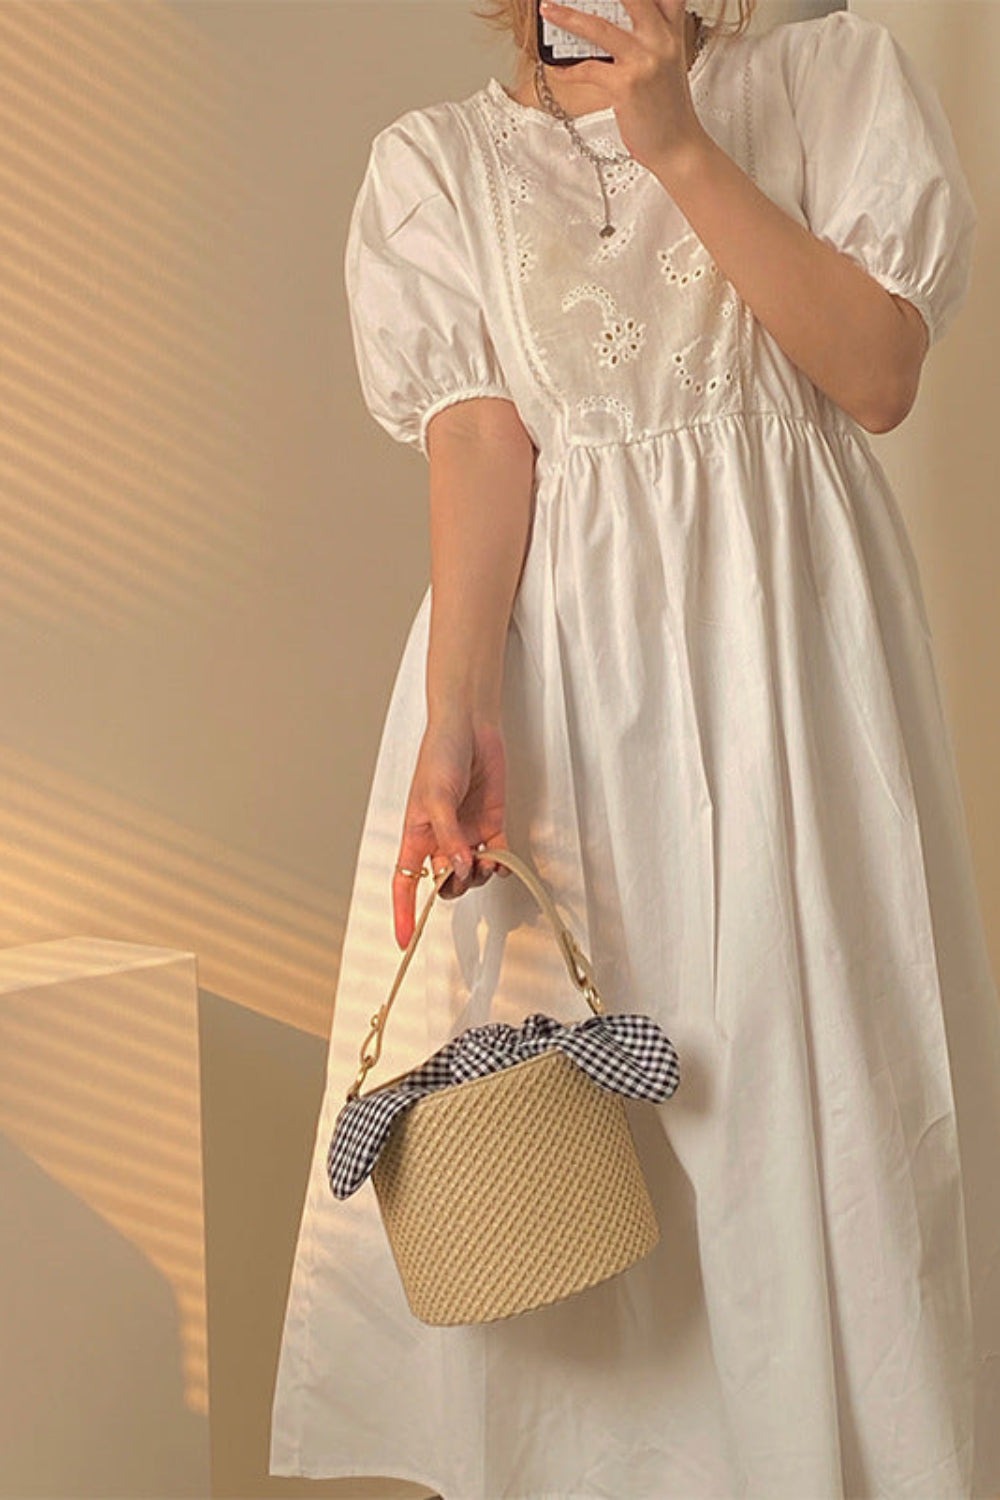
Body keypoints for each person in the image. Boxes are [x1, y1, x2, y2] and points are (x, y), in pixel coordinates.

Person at [269, 1, 1000, 1495]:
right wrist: (456, 717)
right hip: (563, 704)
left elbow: (876, 375)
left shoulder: (833, 76)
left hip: (787, 683)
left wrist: (675, 142)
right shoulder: (436, 165)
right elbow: (482, 445)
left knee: (814, 1116)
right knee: (579, 1171)